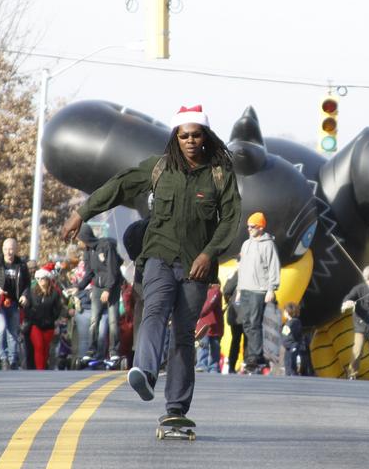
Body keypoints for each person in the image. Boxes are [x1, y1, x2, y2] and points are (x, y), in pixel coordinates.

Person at [61, 104, 241, 424]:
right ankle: (144, 371)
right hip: (158, 256)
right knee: (155, 311)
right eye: (183, 135)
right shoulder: (158, 168)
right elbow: (119, 185)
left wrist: (208, 254)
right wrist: (81, 213)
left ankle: (176, 408)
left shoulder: (219, 174)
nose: (189, 141)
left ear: (205, 136)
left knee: (184, 334)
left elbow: (230, 221)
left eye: (195, 135)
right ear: (175, 136)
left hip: (195, 267)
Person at [235, 211, 280, 373]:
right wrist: (239, 290)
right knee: (246, 323)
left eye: (252, 226)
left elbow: (274, 267)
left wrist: (271, 289)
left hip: (259, 290)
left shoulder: (268, 245)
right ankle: (254, 356)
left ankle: (254, 357)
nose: (249, 229)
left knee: (254, 323)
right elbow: (242, 269)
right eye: (248, 226)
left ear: (261, 227)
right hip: (245, 289)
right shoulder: (246, 244)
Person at [75, 224, 124, 364]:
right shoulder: (88, 252)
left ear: (85, 238)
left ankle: (114, 351)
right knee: (94, 320)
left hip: (112, 287)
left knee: (113, 320)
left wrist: (108, 289)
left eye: (79, 240)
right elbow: (90, 273)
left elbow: (113, 269)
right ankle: (92, 350)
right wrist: (79, 287)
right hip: (97, 287)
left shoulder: (106, 246)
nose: (78, 243)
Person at [0, 238, 31, 370]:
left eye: (11, 249)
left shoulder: (21, 264)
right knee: (2, 328)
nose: (8, 252)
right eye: (6, 249)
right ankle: (3, 357)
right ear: (2, 249)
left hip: (14, 303)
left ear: (16, 249)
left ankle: (13, 359)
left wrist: (24, 295)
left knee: (13, 332)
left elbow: (27, 283)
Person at [342, 265, 369, 380]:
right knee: (357, 351)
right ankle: (352, 374)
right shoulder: (360, 289)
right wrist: (348, 302)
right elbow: (349, 297)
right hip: (362, 326)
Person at [23, 269, 65, 370]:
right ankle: (39, 370)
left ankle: (43, 367)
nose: (40, 281)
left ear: (48, 279)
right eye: (38, 279)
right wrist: (31, 317)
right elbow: (26, 307)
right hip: (35, 324)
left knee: (45, 349)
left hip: (48, 325)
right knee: (39, 346)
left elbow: (58, 308)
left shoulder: (55, 293)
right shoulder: (32, 292)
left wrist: (53, 319)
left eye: (42, 278)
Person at [195, 282, 224, 373]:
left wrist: (198, 314)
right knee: (203, 346)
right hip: (204, 324)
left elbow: (209, 305)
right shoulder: (201, 289)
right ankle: (202, 365)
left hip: (214, 324)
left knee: (214, 347)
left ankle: (213, 367)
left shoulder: (215, 291)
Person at [222, 268, 243, 374]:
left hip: (237, 313)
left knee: (235, 340)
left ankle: (231, 366)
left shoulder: (239, 273)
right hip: (252, 311)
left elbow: (227, 290)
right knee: (250, 340)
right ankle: (248, 365)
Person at [281, 301, 310, 376]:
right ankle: (288, 374)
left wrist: (296, 343)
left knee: (291, 361)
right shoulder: (288, 322)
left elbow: (296, 334)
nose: (283, 313)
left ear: (288, 312)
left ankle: (293, 374)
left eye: (285, 311)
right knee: (287, 361)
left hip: (293, 345)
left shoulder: (294, 322)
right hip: (288, 346)